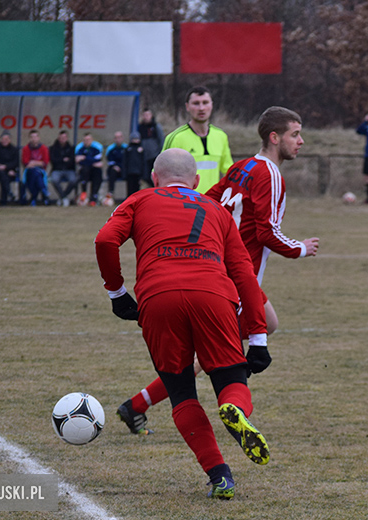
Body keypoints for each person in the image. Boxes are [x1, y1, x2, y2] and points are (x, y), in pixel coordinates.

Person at [116, 107, 320, 436]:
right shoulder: (270, 174)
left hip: (217, 266)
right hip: (233, 275)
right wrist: (300, 248)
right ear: (274, 137)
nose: (301, 141)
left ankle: (136, 405)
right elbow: (268, 231)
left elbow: (208, 199)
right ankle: (229, 404)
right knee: (233, 342)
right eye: (295, 134)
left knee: (260, 327)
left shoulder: (242, 167)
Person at [94, 148, 271, 500]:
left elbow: (104, 239)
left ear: (155, 178)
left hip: (158, 297)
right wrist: (259, 338)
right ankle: (233, 406)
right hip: (213, 294)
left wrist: (117, 293)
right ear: (197, 182)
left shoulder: (139, 199)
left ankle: (220, 475)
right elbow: (244, 274)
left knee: (181, 393)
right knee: (230, 379)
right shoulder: (216, 210)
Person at [162, 86, 233, 194]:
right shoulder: (176, 137)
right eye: (196, 103)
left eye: (205, 102)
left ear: (211, 105)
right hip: (186, 204)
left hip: (212, 203)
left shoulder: (221, 136)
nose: (201, 108)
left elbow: (229, 172)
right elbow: (160, 175)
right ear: (187, 107)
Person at [0, 132, 20, 205]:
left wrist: (6, 167)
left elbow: (16, 162)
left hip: (11, 171)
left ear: (10, 140)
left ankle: (4, 201)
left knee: (5, 178)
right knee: (3, 175)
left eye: (6, 139)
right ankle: (8, 193)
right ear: (0, 140)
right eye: (3, 139)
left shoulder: (14, 149)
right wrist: (3, 168)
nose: (5, 141)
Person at [22, 130, 51, 206]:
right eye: (32, 137)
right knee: (35, 174)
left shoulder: (44, 148)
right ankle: (43, 190)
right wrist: (38, 163)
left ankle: (33, 198)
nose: (34, 139)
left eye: (35, 137)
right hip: (29, 171)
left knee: (37, 175)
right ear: (29, 138)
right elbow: (26, 163)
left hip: (41, 171)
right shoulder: (26, 148)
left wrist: (33, 162)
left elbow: (45, 162)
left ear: (38, 138)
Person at [75, 133, 104, 206]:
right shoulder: (80, 148)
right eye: (85, 140)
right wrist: (92, 161)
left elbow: (98, 159)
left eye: (88, 140)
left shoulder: (97, 148)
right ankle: (83, 193)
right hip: (85, 171)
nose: (86, 141)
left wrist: (84, 158)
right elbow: (79, 161)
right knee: (84, 169)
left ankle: (94, 196)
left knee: (98, 172)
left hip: (94, 171)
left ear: (92, 140)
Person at [137, 109, 164, 187]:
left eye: (148, 115)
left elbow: (161, 139)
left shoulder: (156, 126)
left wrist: (160, 152)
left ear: (151, 116)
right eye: (144, 115)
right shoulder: (140, 127)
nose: (146, 117)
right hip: (145, 156)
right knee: (146, 176)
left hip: (154, 155)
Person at [49, 130, 76, 207]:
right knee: (54, 180)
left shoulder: (71, 148)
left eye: (64, 137)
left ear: (67, 138)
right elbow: (53, 160)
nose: (62, 139)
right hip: (57, 170)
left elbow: (72, 161)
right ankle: (64, 198)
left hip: (69, 170)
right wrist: (63, 160)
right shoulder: (53, 148)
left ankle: (63, 197)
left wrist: (62, 160)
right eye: (61, 138)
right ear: (58, 138)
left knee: (73, 180)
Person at [103, 131, 127, 205]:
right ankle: (111, 192)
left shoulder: (126, 148)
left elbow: (128, 161)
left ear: (122, 138)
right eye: (116, 138)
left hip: (124, 169)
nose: (118, 139)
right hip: (114, 169)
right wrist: (115, 166)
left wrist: (122, 167)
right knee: (112, 172)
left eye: (119, 137)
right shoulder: (111, 149)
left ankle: (130, 194)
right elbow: (109, 160)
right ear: (114, 139)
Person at [123, 132, 147, 197]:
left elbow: (143, 162)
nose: (135, 140)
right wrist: (124, 173)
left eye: (137, 139)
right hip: (130, 172)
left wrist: (144, 174)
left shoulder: (141, 150)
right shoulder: (128, 149)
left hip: (138, 173)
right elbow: (125, 162)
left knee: (137, 189)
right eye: (134, 139)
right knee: (130, 188)